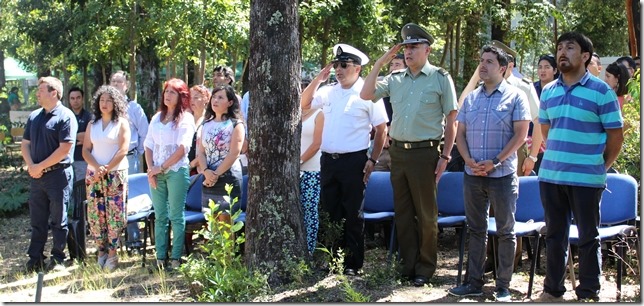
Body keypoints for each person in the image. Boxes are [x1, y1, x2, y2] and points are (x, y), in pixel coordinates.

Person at [360, 23, 458, 286]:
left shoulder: (440, 77)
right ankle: (408, 265)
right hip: (398, 155)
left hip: (425, 153)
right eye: (405, 47)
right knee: (402, 213)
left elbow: (452, 121)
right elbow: (366, 92)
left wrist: (445, 156)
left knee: (426, 214)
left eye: (414, 47)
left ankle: (425, 268)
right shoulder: (395, 79)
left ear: (427, 50)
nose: (408, 52)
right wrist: (381, 61)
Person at [538, 31, 623, 302]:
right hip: (551, 176)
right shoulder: (549, 90)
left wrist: (599, 166)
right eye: (560, 47)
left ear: (585, 56)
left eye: (570, 47)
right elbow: (547, 130)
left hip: (587, 178)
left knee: (588, 237)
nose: (562, 52)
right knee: (554, 235)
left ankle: (587, 292)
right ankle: (553, 290)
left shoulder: (602, 92)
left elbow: (615, 137)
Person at [448, 45, 531, 301]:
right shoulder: (471, 98)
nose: (483, 66)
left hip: (502, 175)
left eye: (490, 62)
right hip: (473, 175)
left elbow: (521, 135)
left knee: (505, 230)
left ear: (503, 68)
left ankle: (503, 286)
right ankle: (473, 282)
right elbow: (459, 133)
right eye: (481, 61)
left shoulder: (516, 96)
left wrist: (495, 161)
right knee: (475, 229)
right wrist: (469, 160)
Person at [302, 43, 388, 276]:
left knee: (352, 213)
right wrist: (318, 80)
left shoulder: (368, 94)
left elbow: (382, 129)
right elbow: (304, 103)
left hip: (354, 161)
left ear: (357, 69)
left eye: (343, 65)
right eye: (336, 65)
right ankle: (332, 260)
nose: (338, 70)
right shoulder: (328, 91)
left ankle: (352, 264)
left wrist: (373, 159)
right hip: (329, 161)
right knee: (330, 211)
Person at [22, 77, 78, 273]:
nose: (37, 93)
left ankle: (58, 258)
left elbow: (65, 149)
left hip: (58, 176)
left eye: (41, 90)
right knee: (37, 220)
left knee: (58, 219)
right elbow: (25, 144)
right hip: (37, 178)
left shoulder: (65, 116)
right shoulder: (34, 116)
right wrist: (31, 166)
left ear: (54, 92)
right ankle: (35, 259)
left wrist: (40, 166)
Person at [144, 78, 195, 270]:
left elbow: (183, 148)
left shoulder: (186, 118)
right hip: (156, 172)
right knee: (160, 216)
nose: (167, 95)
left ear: (181, 96)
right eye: (166, 91)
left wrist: (161, 167)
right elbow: (148, 145)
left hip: (175, 171)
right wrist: (151, 169)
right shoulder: (157, 118)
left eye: (172, 92)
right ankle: (159, 258)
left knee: (175, 215)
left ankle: (175, 258)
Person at [82, 85, 131, 271]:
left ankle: (112, 254)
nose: (105, 104)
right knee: (96, 215)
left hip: (116, 175)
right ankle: (100, 251)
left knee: (114, 215)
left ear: (115, 103)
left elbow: (123, 149)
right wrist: (97, 168)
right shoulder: (91, 124)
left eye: (109, 100)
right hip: (94, 175)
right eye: (102, 100)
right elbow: (85, 150)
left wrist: (107, 168)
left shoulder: (121, 123)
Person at [110, 70, 149, 250]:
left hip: (130, 157)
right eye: (113, 81)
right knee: (112, 199)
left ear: (126, 85)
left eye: (120, 82)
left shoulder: (134, 108)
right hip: (109, 160)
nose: (116, 85)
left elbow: (144, 134)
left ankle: (134, 240)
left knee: (130, 197)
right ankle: (113, 242)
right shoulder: (105, 108)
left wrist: (136, 153)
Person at [196, 85, 245, 222]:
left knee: (226, 224)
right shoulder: (205, 124)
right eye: (214, 97)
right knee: (212, 222)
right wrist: (206, 172)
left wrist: (215, 174)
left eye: (220, 97)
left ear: (230, 103)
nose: (215, 100)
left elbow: (234, 153)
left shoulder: (236, 124)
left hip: (228, 178)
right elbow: (201, 152)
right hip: (208, 177)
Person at [373, 53, 406, 172]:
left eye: (397, 64)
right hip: (381, 146)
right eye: (391, 65)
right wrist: (385, 135)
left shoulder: (412, 91)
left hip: (402, 147)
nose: (393, 68)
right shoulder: (383, 87)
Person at [299, 105, 324, 254]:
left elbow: (317, 144)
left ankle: (309, 251)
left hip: (312, 170)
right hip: (293, 172)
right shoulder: (293, 114)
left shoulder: (319, 114)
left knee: (309, 211)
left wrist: (299, 162)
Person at [68, 86, 93, 182]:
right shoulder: (65, 116)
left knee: (81, 189)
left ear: (82, 99)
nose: (75, 101)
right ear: (69, 100)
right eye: (72, 98)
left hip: (83, 159)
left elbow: (89, 137)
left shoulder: (89, 116)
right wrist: (79, 137)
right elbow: (59, 137)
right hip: (67, 159)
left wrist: (70, 137)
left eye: (78, 98)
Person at [188, 85, 211, 176]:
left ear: (206, 99)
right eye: (190, 97)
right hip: (182, 170)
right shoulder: (185, 119)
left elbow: (208, 150)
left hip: (201, 171)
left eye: (196, 97)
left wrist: (191, 165)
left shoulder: (210, 121)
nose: (192, 100)